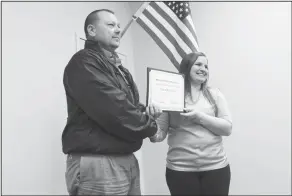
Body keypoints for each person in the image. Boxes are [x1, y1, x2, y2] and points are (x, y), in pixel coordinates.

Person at [62, 9, 161, 195]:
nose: (117, 30)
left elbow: (128, 104)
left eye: (118, 26)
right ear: (91, 30)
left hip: (125, 160)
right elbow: (116, 110)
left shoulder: (118, 68)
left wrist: (145, 111)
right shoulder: (83, 62)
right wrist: (152, 127)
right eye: (110, 25)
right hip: (100, 164)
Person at [150, 52, 233, 195]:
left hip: (216, 168)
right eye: (199, 64)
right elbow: (158, 136)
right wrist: (150, 120)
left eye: (206, 66)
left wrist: (200, 117)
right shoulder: (170, 97)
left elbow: (227, 129)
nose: (204, 69)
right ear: (187, 67)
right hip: (180, 170)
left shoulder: (215, 94)